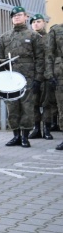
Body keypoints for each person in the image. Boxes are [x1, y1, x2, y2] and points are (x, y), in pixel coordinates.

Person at [0, 6, 45, 148]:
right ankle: (15, 135)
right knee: (12, 106)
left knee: (27, 106)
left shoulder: (33, 36)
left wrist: (38, 79)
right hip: (10, 76)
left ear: (25, 17)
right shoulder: (5, 37)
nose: (16, 17)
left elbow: (40, 58)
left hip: (28, 76)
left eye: (19, 15)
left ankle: (25, 136)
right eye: (14, 15)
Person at [29, 14, 55, 140]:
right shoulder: (28, 38)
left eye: (38, 21)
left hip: (46, 75)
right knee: (33, 103)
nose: (36, 24)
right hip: (33, 75)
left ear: (44, 23)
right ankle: (36, 129)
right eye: (33, 22)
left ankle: (47, 129)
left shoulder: (50, 37)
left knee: (46, 104)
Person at [45, 14, 63, 150]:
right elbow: (49, 53)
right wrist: (49, 74)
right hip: (60, 73)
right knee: (62, 106)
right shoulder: (56, 30)